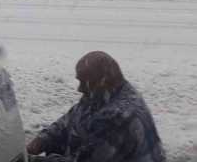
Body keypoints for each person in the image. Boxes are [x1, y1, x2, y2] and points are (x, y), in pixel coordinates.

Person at [27, 51, 166, 162]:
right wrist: (42, 140)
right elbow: (70, 120)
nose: (80, 89)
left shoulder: (118, 117)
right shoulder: (105, 92)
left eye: (83, 82)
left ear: (102, 81)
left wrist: (31, 160)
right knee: (55, 142)